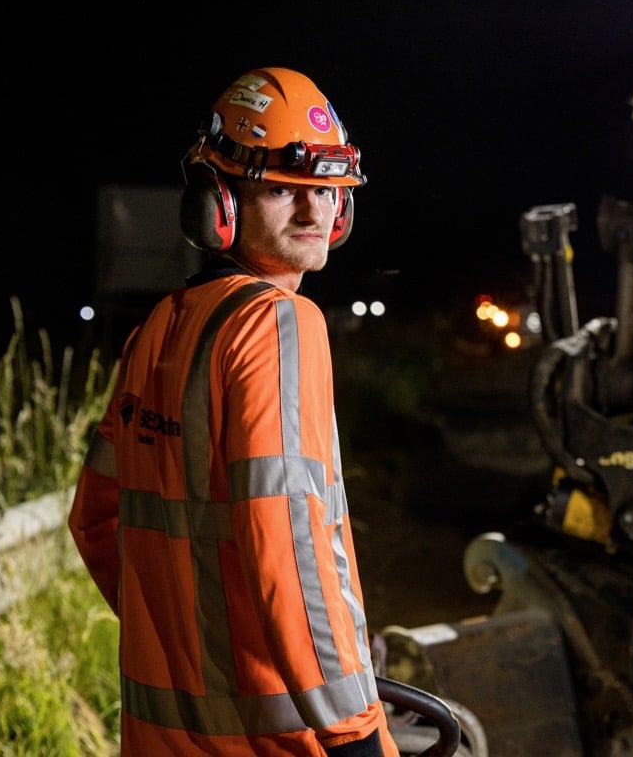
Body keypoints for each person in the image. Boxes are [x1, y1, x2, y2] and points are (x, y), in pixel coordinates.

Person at [68, 67, 398, 756]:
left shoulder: (158, 330)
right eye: (282, 189)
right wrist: (355, 731)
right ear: (219, 202)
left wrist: (184, 639)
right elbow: (290, 543)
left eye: (327, 190)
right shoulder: (280, 325)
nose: (313, 213)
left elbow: (97, 516)